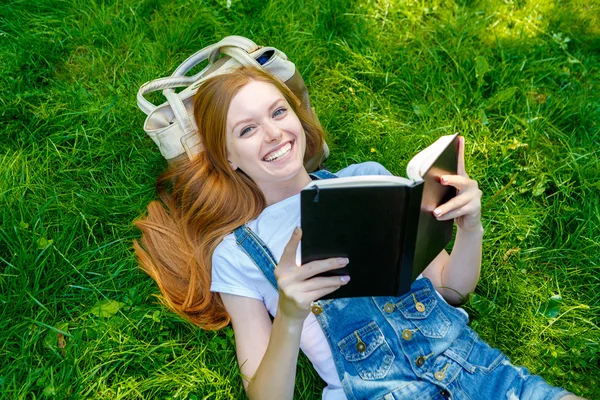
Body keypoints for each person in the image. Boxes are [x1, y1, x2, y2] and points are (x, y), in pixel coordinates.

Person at [134, 67, 583, 400]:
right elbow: (266, 395)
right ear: (227, 157)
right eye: (247, 130)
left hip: (481, 373)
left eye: (278, 112)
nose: (272, 134)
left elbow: (451, 290)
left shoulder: (368, 180)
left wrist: (469, 226)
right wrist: (290, 313)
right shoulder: (238, 253)